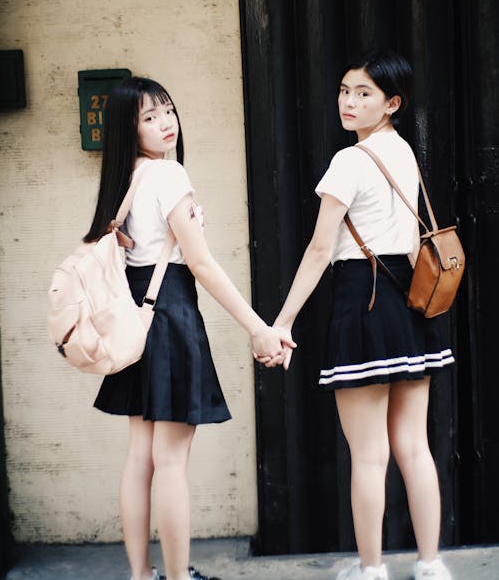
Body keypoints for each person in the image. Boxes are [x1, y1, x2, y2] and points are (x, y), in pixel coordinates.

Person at [87, 76, 294, 580]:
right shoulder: (169, 176)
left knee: (142, 456)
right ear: (128, 129)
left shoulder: (125, 180)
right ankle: (177, 577)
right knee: (171, 461)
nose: (165, 123)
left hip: (134, 317)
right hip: (171, 314)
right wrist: (258, 328)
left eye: (167, 110)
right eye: (149, 117)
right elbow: (200, 265)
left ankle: (142, 576)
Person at [260, 49, 455, 580]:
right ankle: (431, 565)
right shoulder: (406, 153)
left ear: (392, 103)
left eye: (364, 93)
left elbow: (321, 250)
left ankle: (371, 570)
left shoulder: (349, 162)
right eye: (346, 90)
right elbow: (414, 246)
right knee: (414, 447)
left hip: (362, 303)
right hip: (410, 308)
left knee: (370, 454)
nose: (349, 101)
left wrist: (281, 321)